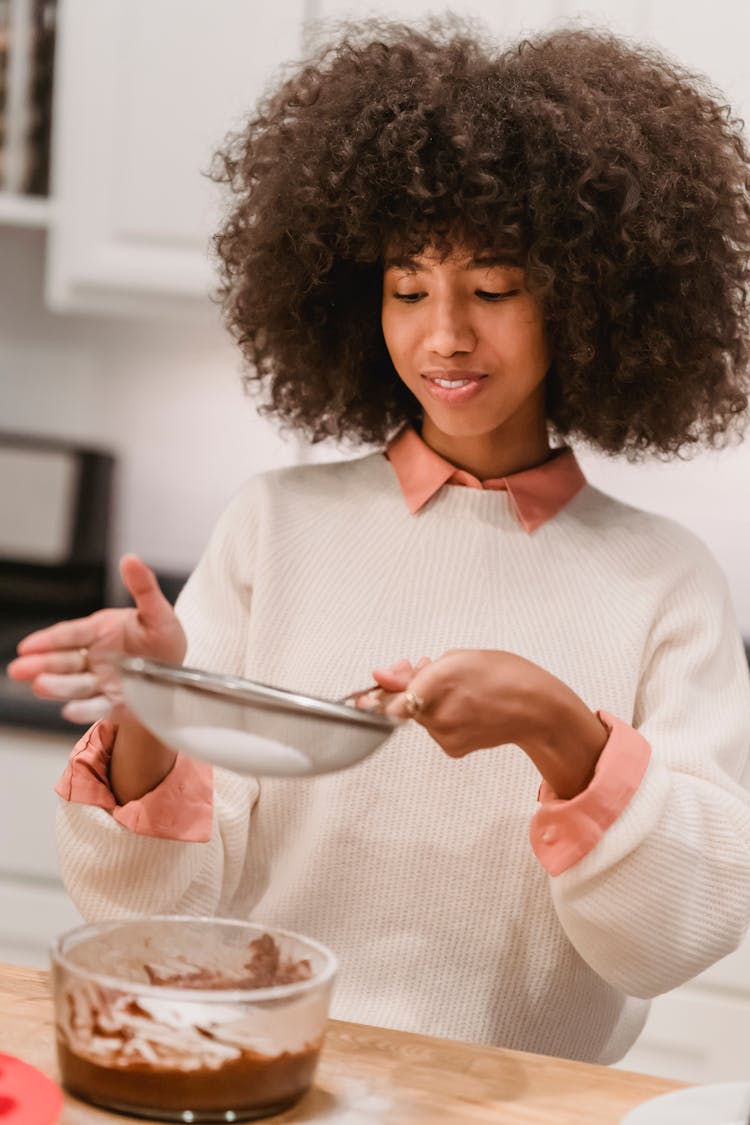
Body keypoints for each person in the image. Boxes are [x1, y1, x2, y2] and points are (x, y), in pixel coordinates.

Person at [8, 20, 750, 1065]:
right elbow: (154, 901)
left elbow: (674, 936)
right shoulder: (278, 524)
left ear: (587, 299)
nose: (443, 335)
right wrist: (154, 713)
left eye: (492, 289)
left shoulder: (663, 580)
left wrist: (558, 730)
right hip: (268, 1071)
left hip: (515, 1102)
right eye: (408, 289)